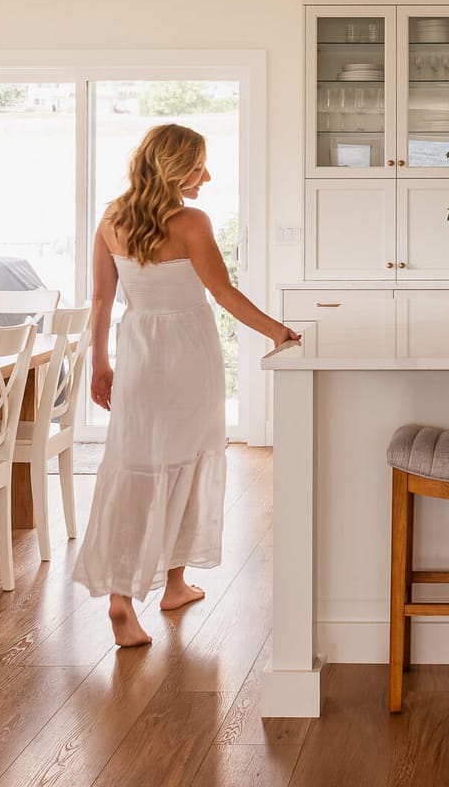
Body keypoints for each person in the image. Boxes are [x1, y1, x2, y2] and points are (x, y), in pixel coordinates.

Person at [69, 123, 299, 647]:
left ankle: (132, 596)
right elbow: (223, 293)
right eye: (198, 166)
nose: (207, 175)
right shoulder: (191, 222)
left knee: (135, 464)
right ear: (173, 168)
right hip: (189, 357)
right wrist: (278, 331)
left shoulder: (111, 218)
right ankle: (163, 585)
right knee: (188, 461)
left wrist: (99, 364)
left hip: (139, 351)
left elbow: (101, 301)